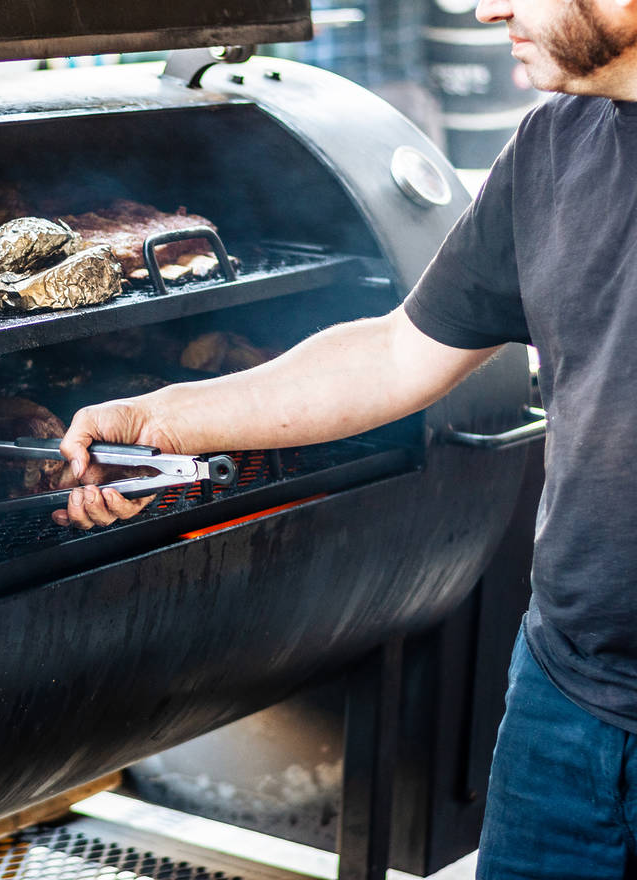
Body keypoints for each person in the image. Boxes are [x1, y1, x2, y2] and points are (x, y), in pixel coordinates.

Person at [53, 0, 637, 875]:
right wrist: (162, 416)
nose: (491, 6)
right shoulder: (559, 146)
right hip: (567, 700)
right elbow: (399, 350)